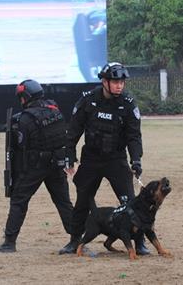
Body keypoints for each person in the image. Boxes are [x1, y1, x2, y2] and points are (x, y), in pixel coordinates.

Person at [58, 62, 150, 255]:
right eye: (115, 81)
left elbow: (134, 136)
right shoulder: (88, 100)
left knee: (130, 203)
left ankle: (140, 243)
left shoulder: (128, 103)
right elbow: (73, 132)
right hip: (91, 159)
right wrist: (70, 157)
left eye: (122, 82)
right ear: (105, 81)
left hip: (116, 159)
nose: (120, 85)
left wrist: (136, 160)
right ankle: (75, 241)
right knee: (82, 201)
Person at [0, 79, 76, 253]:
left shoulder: (25, 119)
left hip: (34, 166)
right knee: (63, 202)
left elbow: (21, 145)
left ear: (26, 97)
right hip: (56, 165)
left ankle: (9, 242)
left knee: (19, 201)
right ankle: (76, 240)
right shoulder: (55, 111)